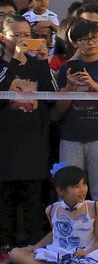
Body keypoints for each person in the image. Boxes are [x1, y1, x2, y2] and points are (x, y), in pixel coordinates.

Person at [54, 18, 98, 202]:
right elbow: (60, 109)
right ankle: (71, 228)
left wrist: (93, 84)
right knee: (69, 187)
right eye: (84, 40)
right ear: (76, 43)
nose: (91, 43)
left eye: (95, 38)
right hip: (71, 135)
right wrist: (69, 86)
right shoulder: (67, 69)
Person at [0, 15, 55, 248]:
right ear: (3, 38)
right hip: (6, 144)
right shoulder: (4, 64)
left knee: (34, 200)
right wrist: (15, 59)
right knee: (6, 202)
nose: (23, 39)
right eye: (16, 35)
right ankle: (5, 247)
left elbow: (52, 96)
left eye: (27, 35)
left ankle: (34, 248)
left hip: (34, 143)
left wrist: (43, 62)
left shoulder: (35, 63)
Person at [6, 164, 98, 264]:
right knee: (15, 253)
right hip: (57, 252)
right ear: (60, 190)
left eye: (84, 184)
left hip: (84, 252)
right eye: (76, 186)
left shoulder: (94, 207)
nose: (82, 189)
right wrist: (35, 247)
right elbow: (54, 233)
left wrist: (86, 251)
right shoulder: (51, 209)